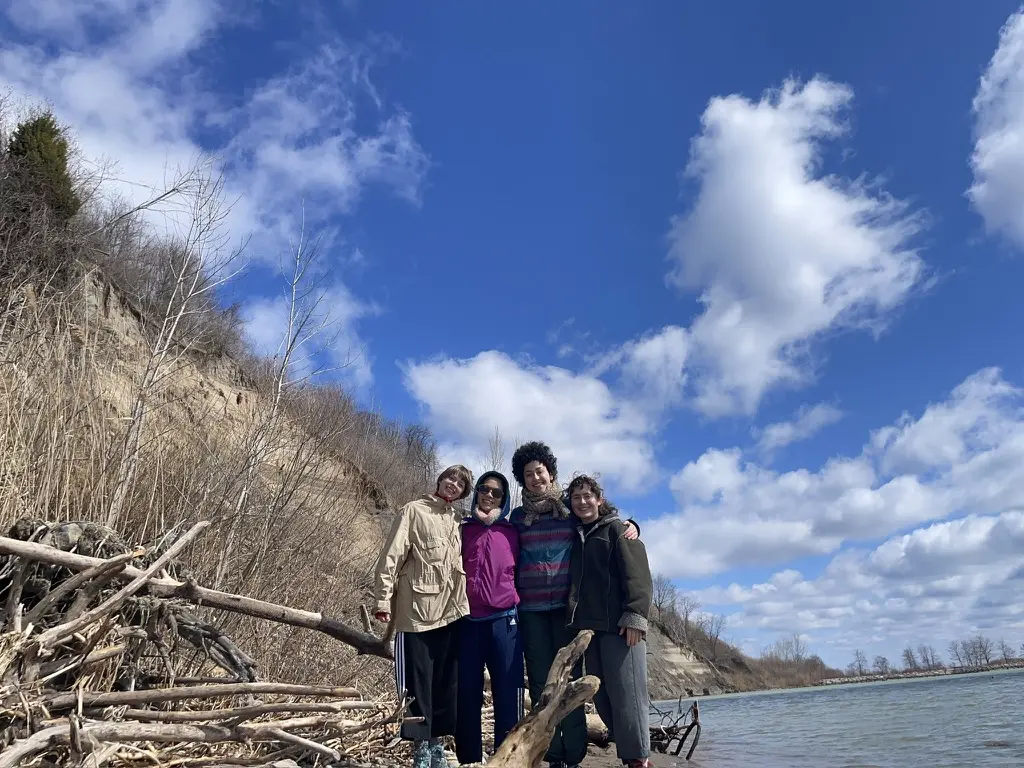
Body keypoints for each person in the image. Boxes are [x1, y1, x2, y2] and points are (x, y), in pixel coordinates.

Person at [509, 441, 641, 768]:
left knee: (569, 681)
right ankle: (552, 753)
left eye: (540, 471)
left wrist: (634, 524)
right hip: (531, 611)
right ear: (522, 480)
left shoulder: (569, 513)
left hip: (568, 614)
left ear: (550, 472)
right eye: (528, 474)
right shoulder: (517, 516)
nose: (535, 478)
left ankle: (575, 754)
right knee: (541, 682)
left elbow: (602, 521)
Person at [373, 464, 473, 768]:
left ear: (464, 492)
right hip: (415, 612)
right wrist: (383, 599)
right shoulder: (413, 511)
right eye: (450, 478)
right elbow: (392, 555)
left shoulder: (457, 520)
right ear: (440, 480)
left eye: (461, 483)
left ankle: (437, 747)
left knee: (446, 683)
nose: (453, 484)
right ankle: (420, 749)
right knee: (415, 685)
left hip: (451, 612)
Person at [566, 474, 653, 768]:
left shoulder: (616, 529)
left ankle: (639, 759)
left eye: (587, 496)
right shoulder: (576, 533)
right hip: (592, 629)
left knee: (628, 695)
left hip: (621, 627)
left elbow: (637, 574)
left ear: (599, 500)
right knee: (603, 697)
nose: (582, 502)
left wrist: (635, 616)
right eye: (576, 497)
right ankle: (630, 757)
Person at [455, 470, 524, 765]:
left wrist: (630, 524)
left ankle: (505, 758)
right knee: (466, 695)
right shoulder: (461, 529)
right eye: (484, 489)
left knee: (508, 696)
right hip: (467, 623)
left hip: (504, 622)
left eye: (497, 492)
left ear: (505, 499)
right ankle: (469, 759)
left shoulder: (513, 531)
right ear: (476, 493)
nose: (489, 495)